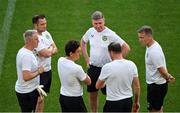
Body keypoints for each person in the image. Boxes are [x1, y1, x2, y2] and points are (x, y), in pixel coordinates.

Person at [81, 11, 130, 112]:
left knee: (111, 93)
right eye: (95, 23)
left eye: (100, 23)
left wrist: (116, 62)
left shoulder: (110, 34)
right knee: (92, 93)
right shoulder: (90, 32)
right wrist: (87, 59)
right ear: (92, 22)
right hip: (93, 67)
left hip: (107, 68)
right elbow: (83, 42)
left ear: (104, 21)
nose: (98, 26)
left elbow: (126, 48)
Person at [137, 25, 175, 112]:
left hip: (156, 86)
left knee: (153, 110)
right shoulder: (150, 45)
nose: (140, 40)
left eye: (142, 37)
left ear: (149, 36)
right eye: (139, 37)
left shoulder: (154, 51)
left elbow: (161, 69)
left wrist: (168, 77)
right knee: (158, 108)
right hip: (156, 85)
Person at [96, 42, 140, 112]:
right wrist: (136, 102)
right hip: (128, 101)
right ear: (120, 51)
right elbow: (137, 87)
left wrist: (105, 83)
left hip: (113, 103)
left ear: (111, 52)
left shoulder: (107, 67)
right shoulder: (132, 65)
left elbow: (98, 86)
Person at [32, 14, 58, 112]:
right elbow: (45, 54)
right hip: (38, 72)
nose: (45, 26)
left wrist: (49, 50)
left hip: (47, 71)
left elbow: (56, 49)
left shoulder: (46, 33)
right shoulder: (34, 37)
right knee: (37, 99)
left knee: (42, 97)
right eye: (42, 24)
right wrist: (50, 50)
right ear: (35, 25)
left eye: (45, 23)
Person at [57, 40, 91, 112]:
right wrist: (87, 72)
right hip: (75, 100)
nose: (80, 54)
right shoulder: (77, 68)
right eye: (78, 52)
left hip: (63, 97)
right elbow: (88, 82)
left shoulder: (60, 60)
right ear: (71, 53)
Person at [15, 30, 45, 112]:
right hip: (27, 92)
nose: (38, 41)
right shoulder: (26, 56)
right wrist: (39, 71)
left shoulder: (27, 51)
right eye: (36, 39)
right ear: (29, 41)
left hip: (31, 89)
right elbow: (26, 76)